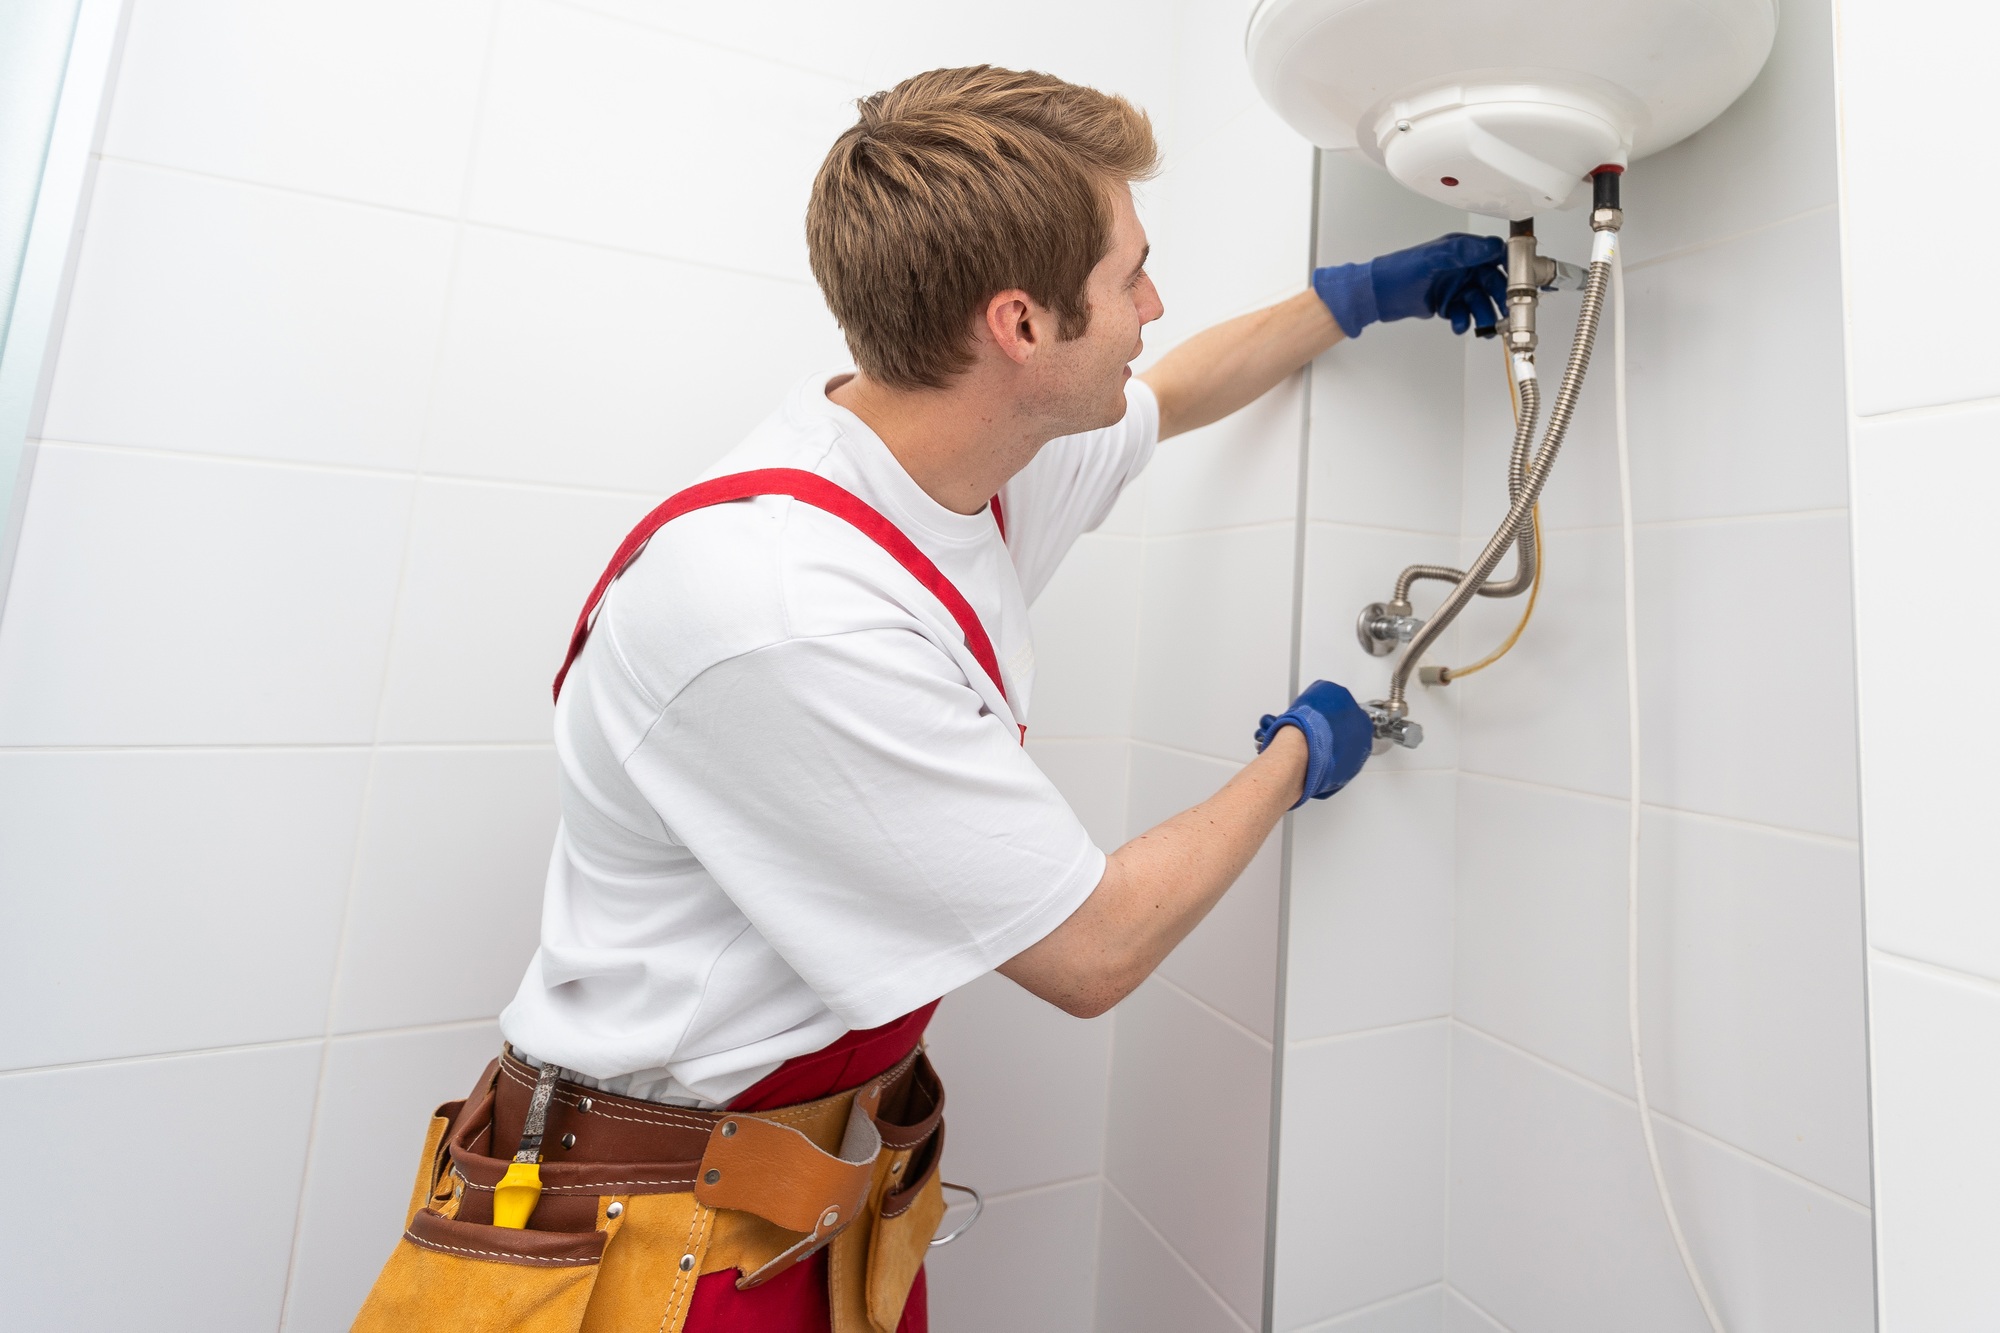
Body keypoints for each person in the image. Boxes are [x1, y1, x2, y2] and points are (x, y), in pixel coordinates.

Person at [356, 64, 1506, 1333]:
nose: (1152, 304)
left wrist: (1357, 299)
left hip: (812, 1204)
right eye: (1130, 276)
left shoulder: (961, 465)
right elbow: (1092, 949)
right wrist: (1298, 750)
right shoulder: (786, 606)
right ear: (1018, 326)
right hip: (646, 1244)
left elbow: (1166, 395)